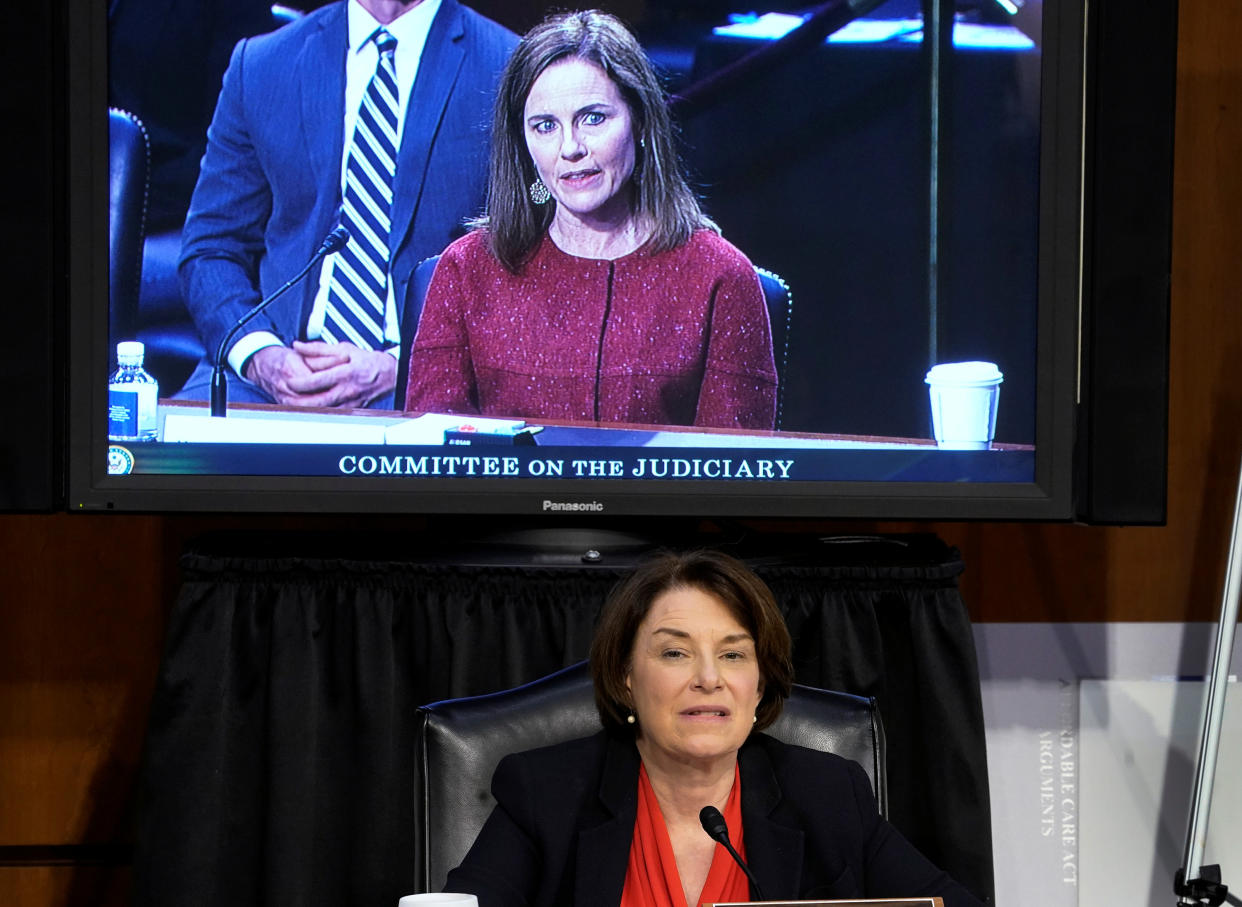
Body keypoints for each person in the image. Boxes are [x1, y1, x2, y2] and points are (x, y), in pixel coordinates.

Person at [445, 550, 985, 907]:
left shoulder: (827, 795)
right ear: (627, 677)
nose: (709, 679)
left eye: (733, 654)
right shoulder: (546, 794)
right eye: (676, 652)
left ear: (760, 684)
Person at [404, 11, 778, 430]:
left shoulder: (720, 276)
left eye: (593, 118)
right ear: (523, 142)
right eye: (545, 126)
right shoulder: (466, 270)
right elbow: (434, 466)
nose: (570, 148)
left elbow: (734, 477)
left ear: (640, 122)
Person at [176, 0, 517, 409]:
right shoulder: (262, 65)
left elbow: (535, 263)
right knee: (163, 463)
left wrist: (401, 363)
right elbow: (211, 249)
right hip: (270, 376)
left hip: (427, 382)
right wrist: (261, 356)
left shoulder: (508, 68)